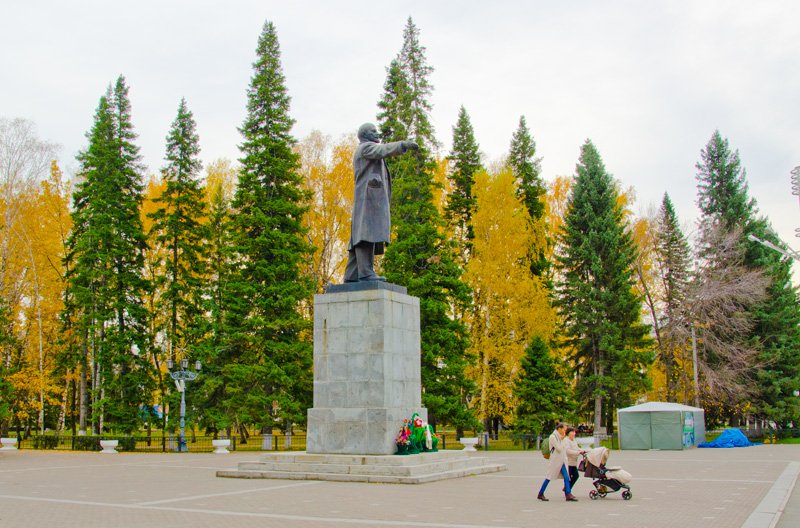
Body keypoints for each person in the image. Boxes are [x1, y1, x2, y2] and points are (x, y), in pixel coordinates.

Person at [343, 123, 419, 283]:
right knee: (365, 235)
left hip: (368, 200)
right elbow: (382, 150)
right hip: (367, 200)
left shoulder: (366, 149)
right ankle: (365, 273)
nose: (377, 134)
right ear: (364, 134)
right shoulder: (366, 148)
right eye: (373, 131)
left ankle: (352, 275)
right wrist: (402, 145)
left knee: (362, 235)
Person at [538, 422, 578, 502]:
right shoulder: (553, 437)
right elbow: (559, 449)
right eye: (564, 430)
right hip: (555, 461)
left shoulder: (559, 437)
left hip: (561, 461)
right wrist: (562, 440)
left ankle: (568, 494)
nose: (565, 432)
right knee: (549, 477)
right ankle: (541, 493)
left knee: (566, 477)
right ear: (559, 429)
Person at [563, 426, 586, 491]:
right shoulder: (566, 440)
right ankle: (568, 490)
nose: (574, 434)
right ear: (568, 433)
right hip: (568, 462)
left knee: (576, 476)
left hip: (573, 462)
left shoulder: (573, 440)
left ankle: (567, 488)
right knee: (569, 478)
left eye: (574, 432)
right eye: (572, 432)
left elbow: (577, 448)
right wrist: (578, 453)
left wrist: (582, 450)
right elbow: (568, 451)